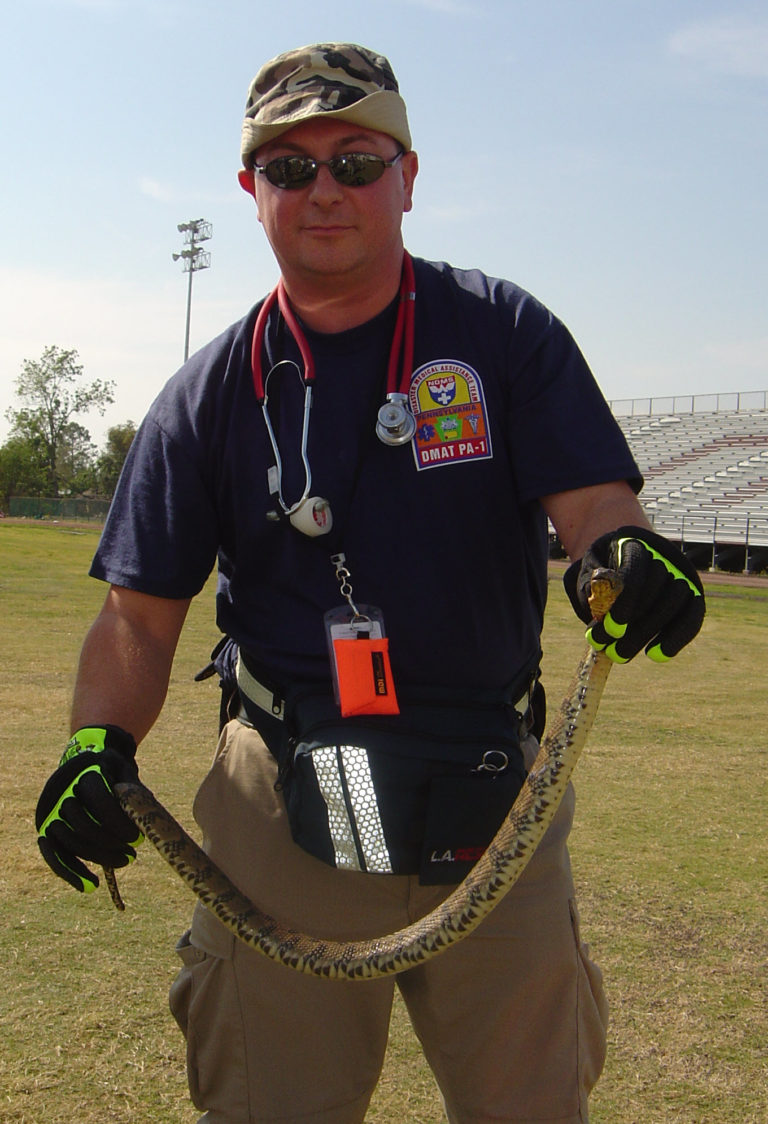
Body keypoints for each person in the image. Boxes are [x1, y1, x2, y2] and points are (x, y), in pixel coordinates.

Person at [35, 43, 705, 1124]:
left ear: (408, 173)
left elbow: (594, 512)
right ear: (250, 192)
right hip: (282, 791)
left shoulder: (503, 334)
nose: (325, 191)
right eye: (290, 169)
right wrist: (93, 744)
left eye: (355, 158)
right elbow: (138, 615)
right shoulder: (207, 392)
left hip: (493, 795)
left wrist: (623, 561)